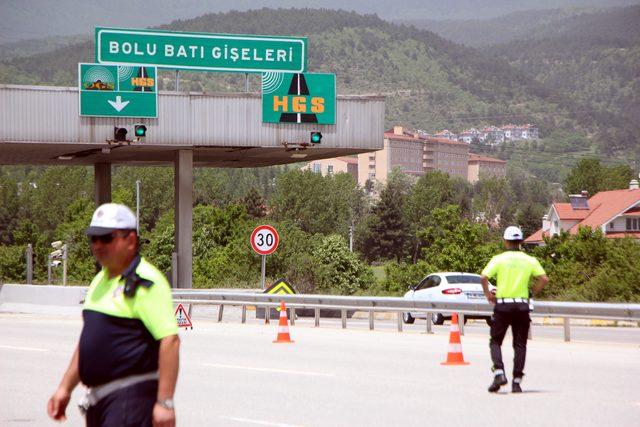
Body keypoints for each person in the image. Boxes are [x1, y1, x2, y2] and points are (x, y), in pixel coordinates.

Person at [47, 203, 180, 426]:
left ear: (130, 240)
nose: (98, 245)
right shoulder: (100, 281)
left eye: (107, 238)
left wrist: (165, 402)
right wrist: (64, 388)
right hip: (100, 401)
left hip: (131, 398)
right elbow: (89, 343)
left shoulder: (146, 282)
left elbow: (170, 340)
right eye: (94, 238)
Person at [481, 226, 548, 393]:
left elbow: (484, 277)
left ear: (505, 241)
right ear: (521, 242)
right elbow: (543, 279)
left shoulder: (499, 259)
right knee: (520, 344)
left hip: (503, 305)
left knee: (495, 341)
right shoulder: (529, 260)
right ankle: (516, 382)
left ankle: (499, 372)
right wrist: (532, 292)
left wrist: (489, 294)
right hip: (522, 305)